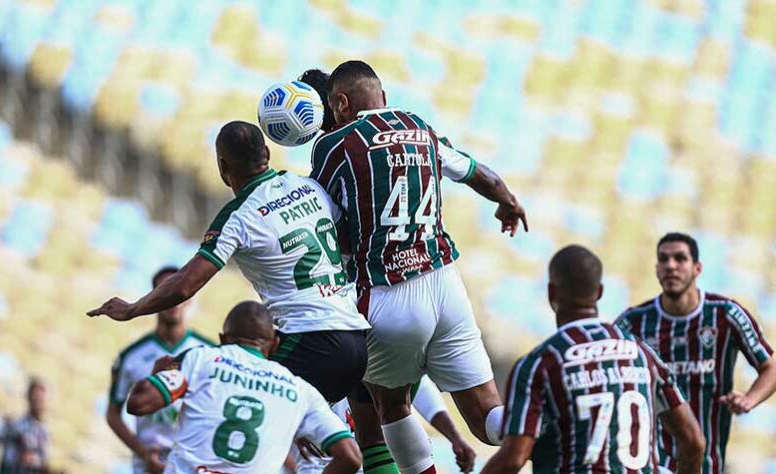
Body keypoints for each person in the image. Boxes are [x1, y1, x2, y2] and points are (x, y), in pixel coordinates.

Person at [308, 59, 527, 474]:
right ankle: (551, 426)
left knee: (390, 405)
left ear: (339, 103)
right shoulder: (420, 127)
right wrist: (507, 201)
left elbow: (325, 218)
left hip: (387, 293)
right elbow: (476, 172)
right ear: (383, 98)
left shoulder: (334, 145)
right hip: (446, 285)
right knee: (487, 418)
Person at [87, 121, 371, 407]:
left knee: (242, 403)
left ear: (223, 166)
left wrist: (134, 309)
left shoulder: (239, 217)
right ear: (267, 154)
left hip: (311, 341)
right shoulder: (307, 186)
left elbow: (186, 284)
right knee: (357, 437)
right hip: (358, 338)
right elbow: (347, 243)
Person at [482, 245, 705, 474]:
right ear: (599, 292)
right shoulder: (644, 355)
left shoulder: (540, 364)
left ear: (551, 293)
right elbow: (693, 442)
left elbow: (513, 459)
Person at [125, 301, 362, 473]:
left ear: (222, 339)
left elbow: (139, 403)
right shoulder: (301, 390)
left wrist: (159, 374)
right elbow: (351, 457)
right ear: (275, 344)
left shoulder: (202, 360)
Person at [616, 232, 776, 473]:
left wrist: (748, 400)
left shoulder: (726, 314)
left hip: (708, 465)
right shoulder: (633, 322)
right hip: (654, 464)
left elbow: (771, 366)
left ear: (697, 268)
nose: (671, 265)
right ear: (656, 269)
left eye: (680, 258)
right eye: (664, 259)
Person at [105, 266, 216, 474]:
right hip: (147, 466)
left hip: (192, 464)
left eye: (179, 293)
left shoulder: (210, 353)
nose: (173, 302)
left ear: (190, 297)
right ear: (154, 298)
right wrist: (143, 453)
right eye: (166, 292)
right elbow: (113, 414)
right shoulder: (131, 356)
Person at [290, 376, 477, 473]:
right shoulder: (308, 357)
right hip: (323, 467)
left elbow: (423, 391)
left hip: (375, 464)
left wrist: (455, 436)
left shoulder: (380, 352)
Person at [0, 377, 60, 474]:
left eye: (42, 399)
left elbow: (39, 466)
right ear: (29, 398)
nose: (40, 402)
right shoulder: (16, 426)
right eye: (37, 398)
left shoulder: (44, 431)